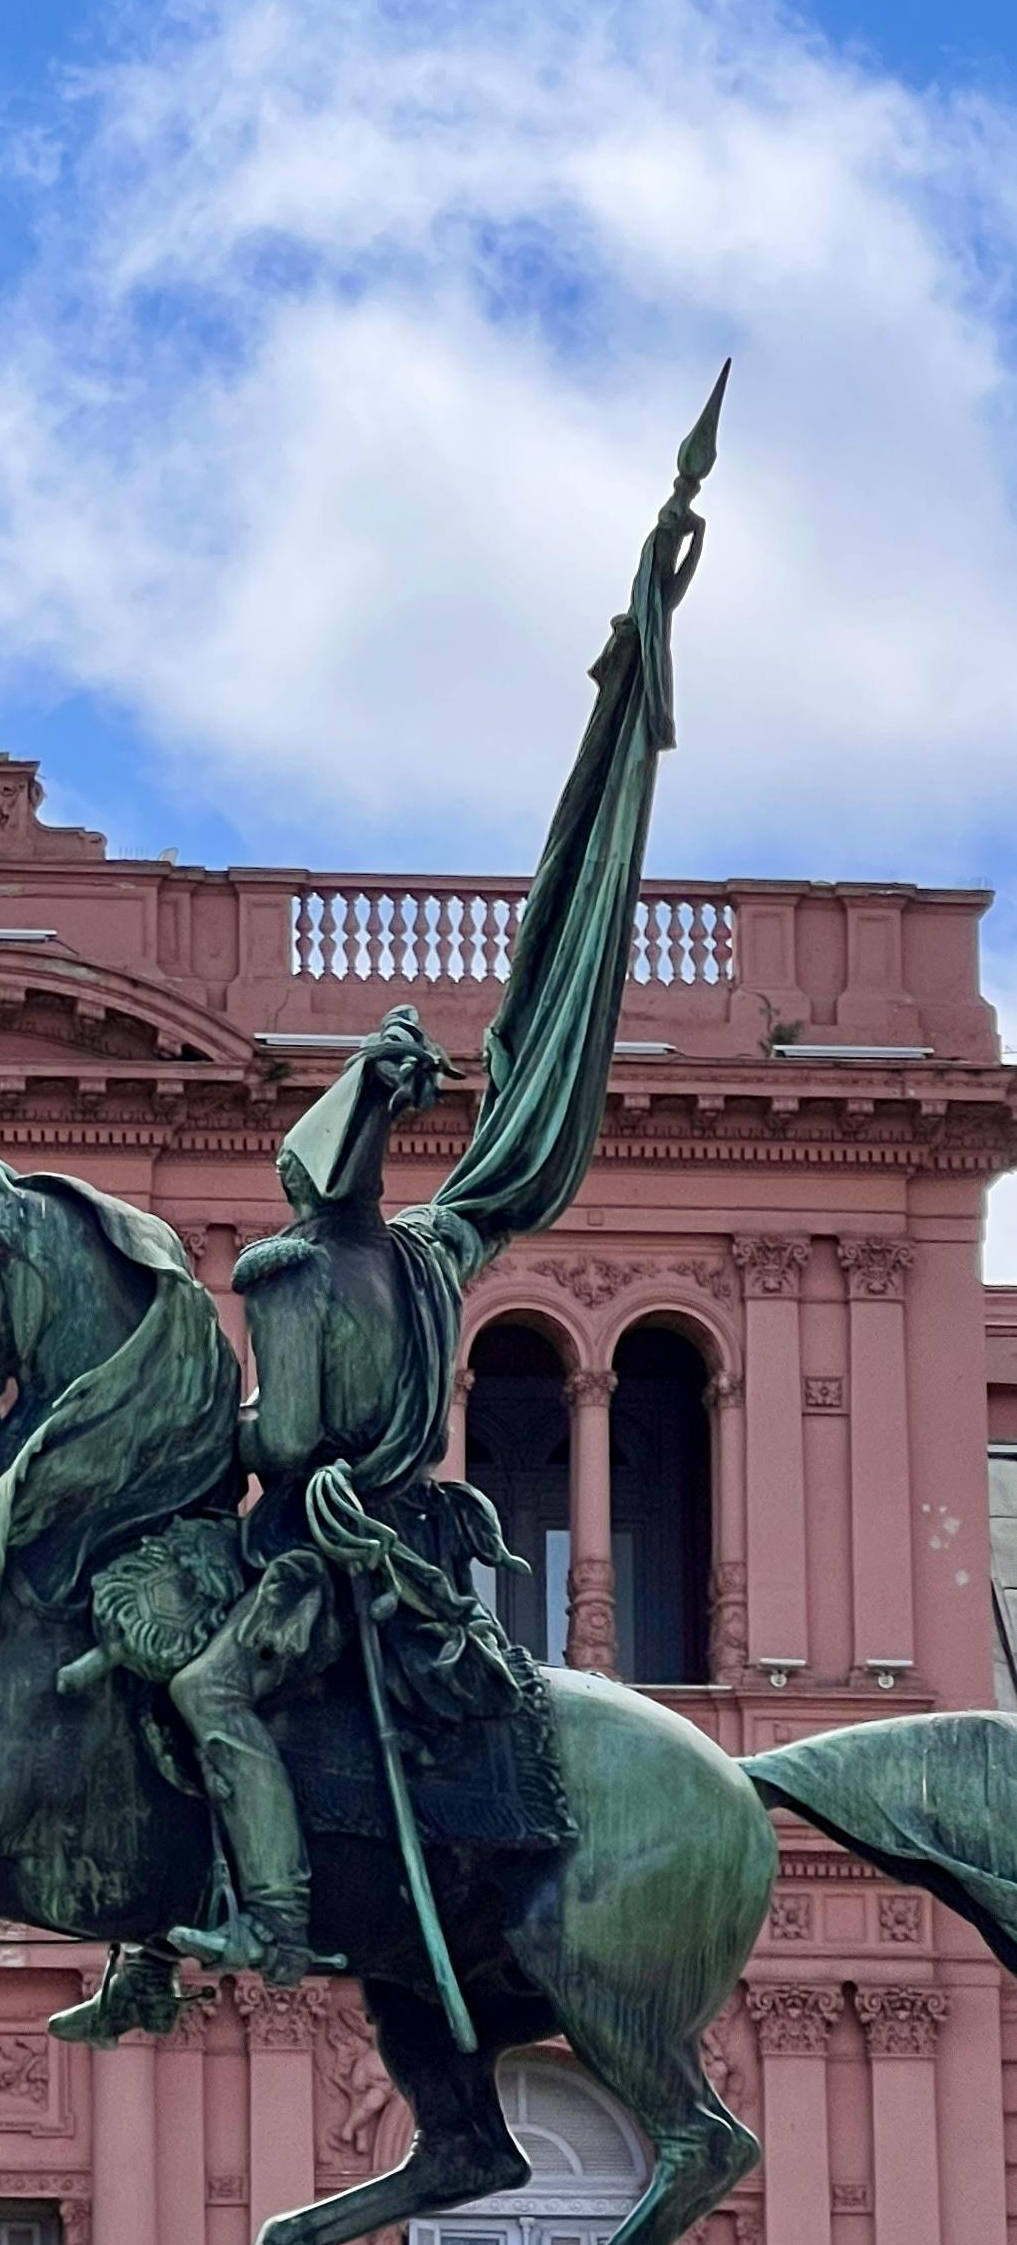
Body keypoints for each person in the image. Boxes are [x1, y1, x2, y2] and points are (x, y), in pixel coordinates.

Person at [138, 377, 725, 1983]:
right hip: (395, 1560)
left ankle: (255, 1921)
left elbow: (264, 1446)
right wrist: (618, 716)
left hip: (332, 1574)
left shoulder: (285, 1275)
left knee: (192, 1696)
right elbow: (526, 1100)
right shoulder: (431, 1250)